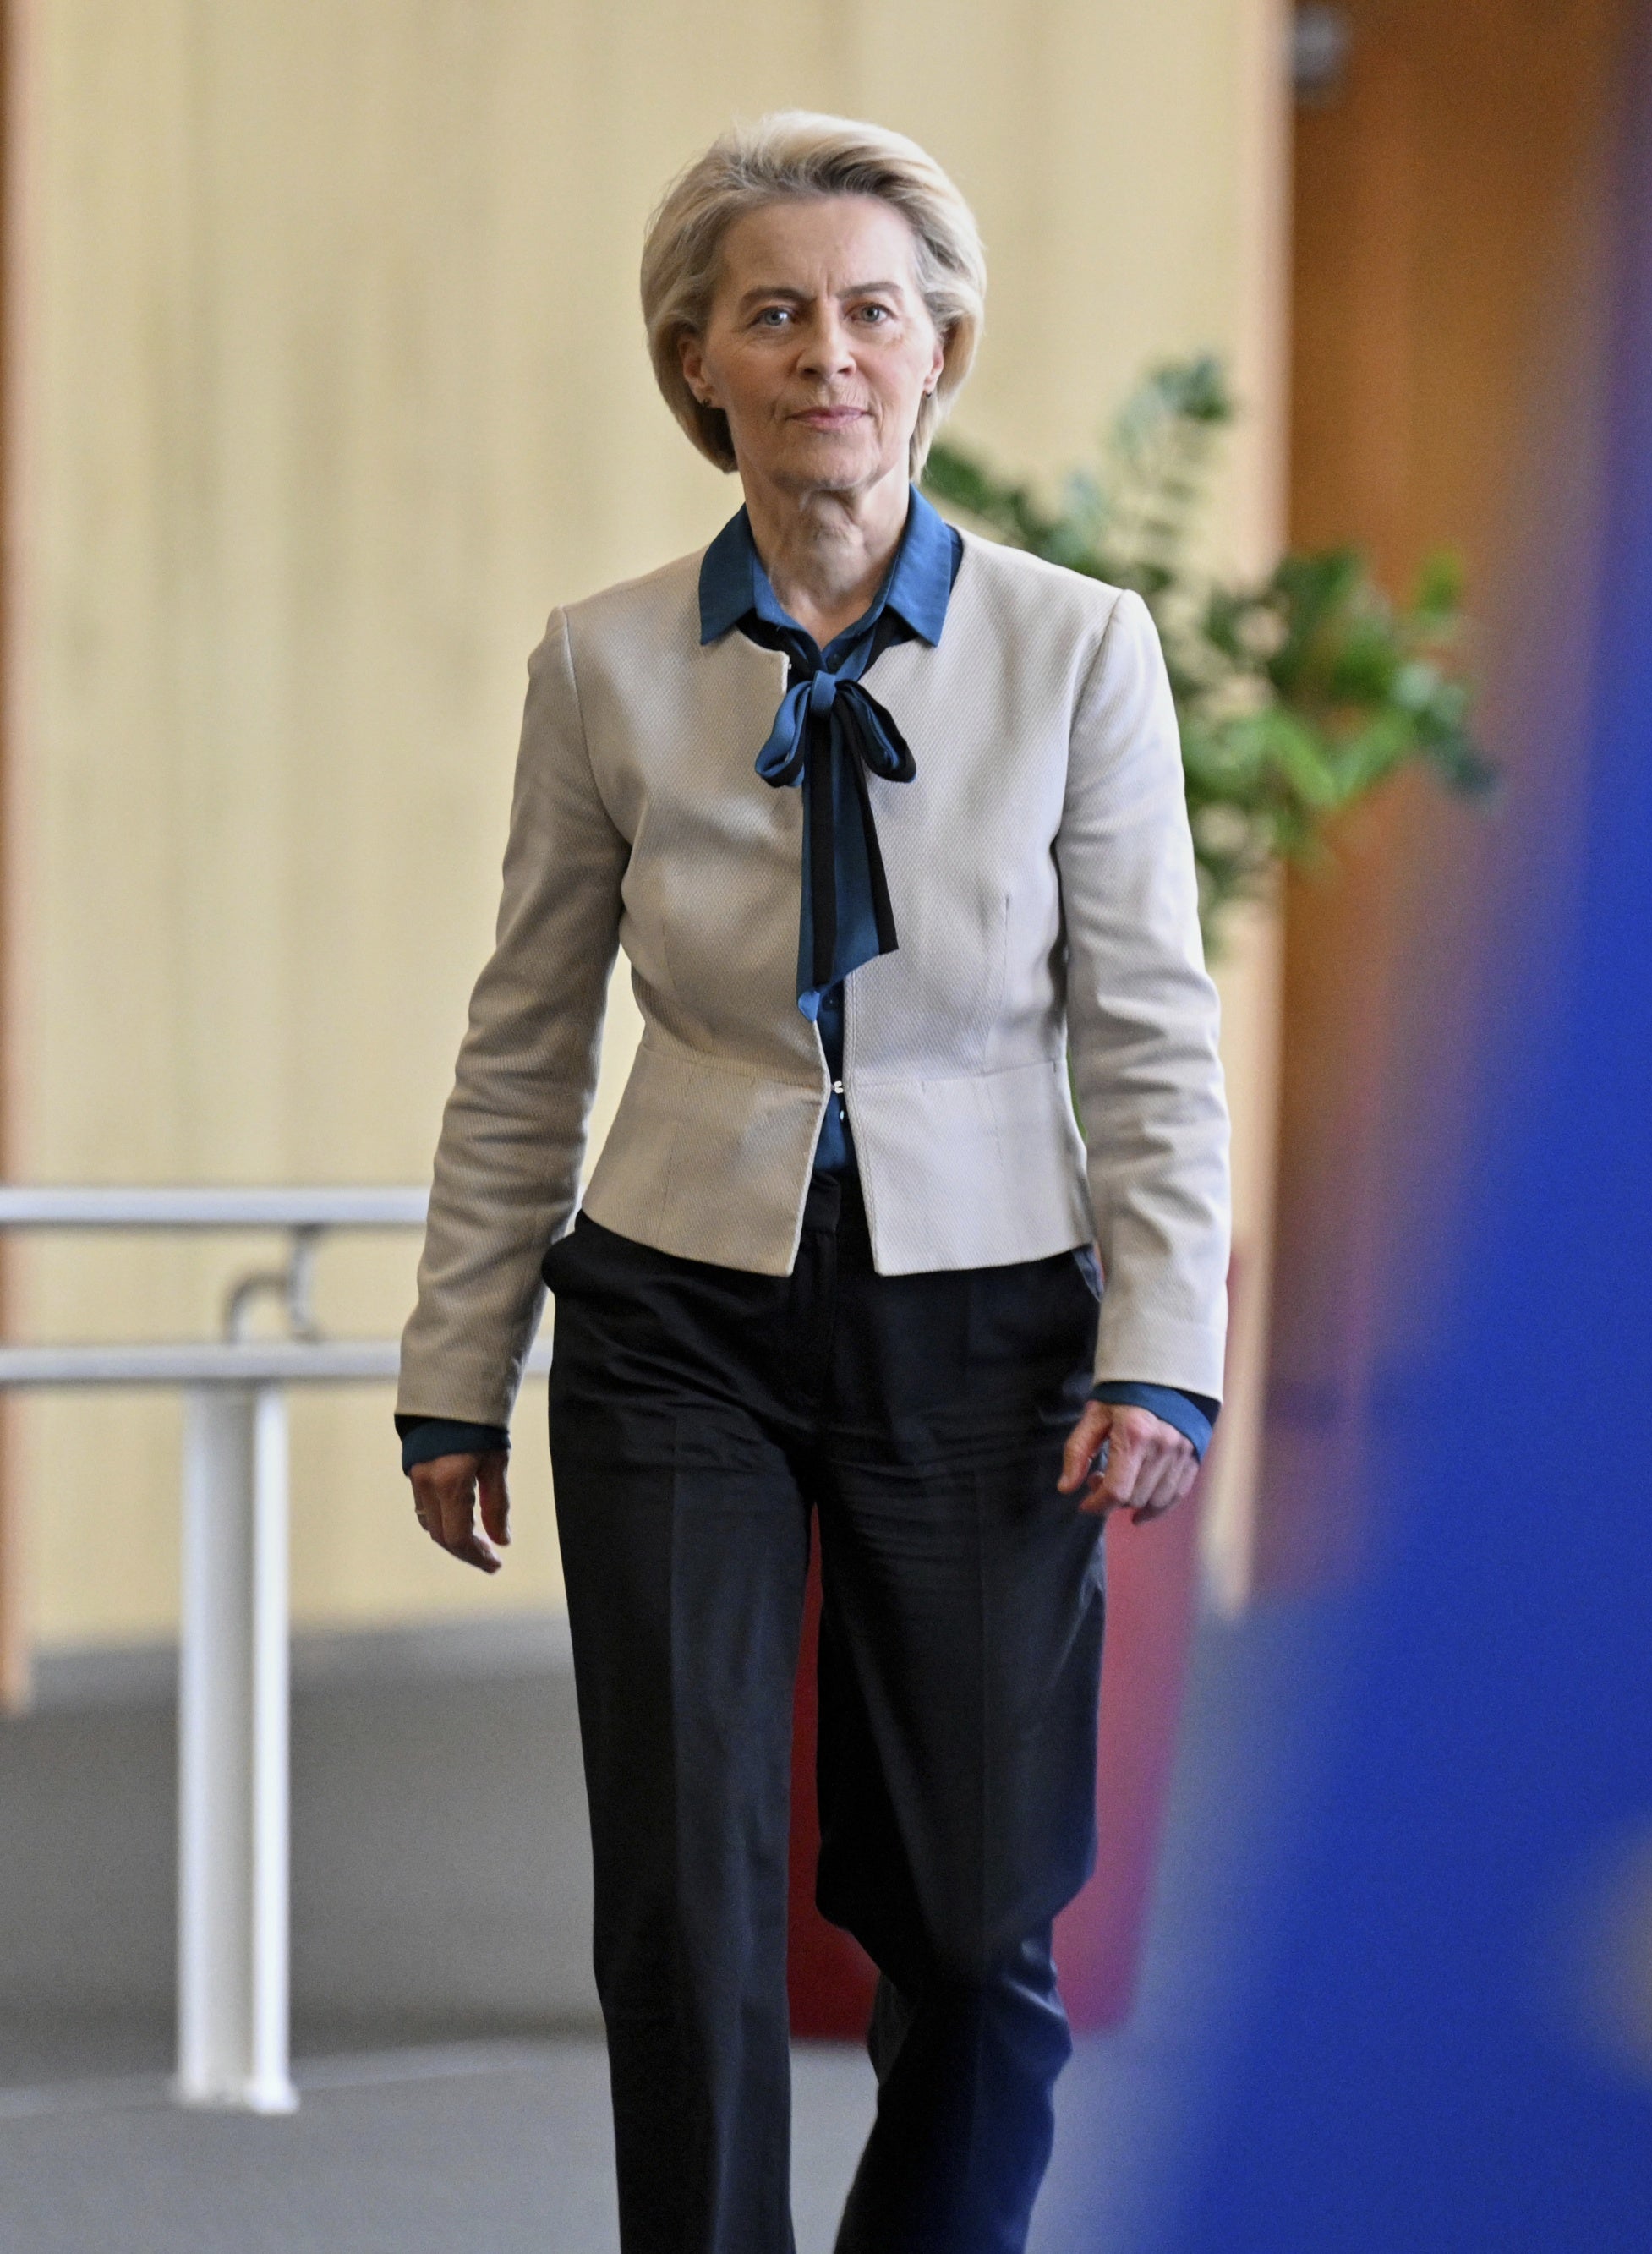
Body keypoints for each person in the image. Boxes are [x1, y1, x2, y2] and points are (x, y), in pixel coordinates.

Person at [391, 112, 1228, 2254]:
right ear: (699, 362)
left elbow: (1147, 1029)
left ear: (941, 351)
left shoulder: (1076, 648)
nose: (826, 354)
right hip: (677, 1313)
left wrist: (1163, 1344)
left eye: (870, 312)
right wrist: (457, 1364)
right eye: (773, 314)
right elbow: (525, 1034)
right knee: (685, 1891)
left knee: (973, 1907)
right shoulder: (603, 662)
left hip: (989, 1318)